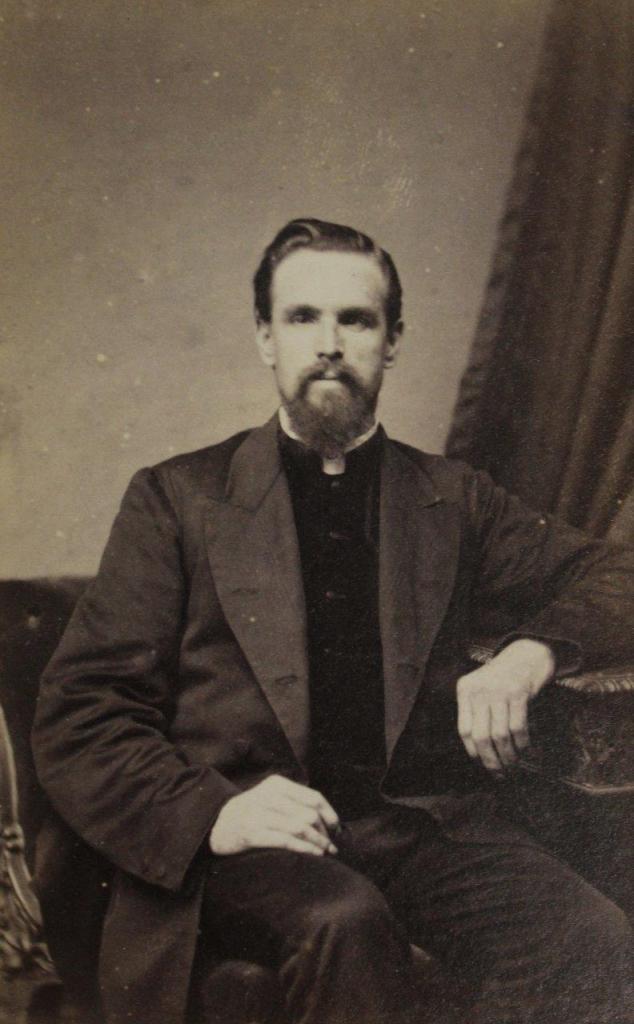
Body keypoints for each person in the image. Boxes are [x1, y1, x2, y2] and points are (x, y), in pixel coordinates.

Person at [32, 218, 634, 1024]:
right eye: (301, 318)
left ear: (391, 342)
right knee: (342, 923)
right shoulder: (177, 500)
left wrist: (531, 655)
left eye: (356, 320)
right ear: (264, 339)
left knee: (590, 936)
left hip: (412, 828)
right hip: (248, 834)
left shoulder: (452, 500)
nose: (328, 344)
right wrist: (216, 811)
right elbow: (81, 713)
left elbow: (618, 573)